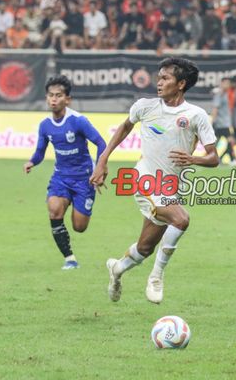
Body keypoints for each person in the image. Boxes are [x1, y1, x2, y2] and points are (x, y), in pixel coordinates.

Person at [90, 58, 219, 304]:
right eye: (158, 77)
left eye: (165, 78)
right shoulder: (145, 106)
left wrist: (193, 159)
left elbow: (214, 158)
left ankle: (117, 269)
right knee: (181, 219)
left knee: (144, 249)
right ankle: (157, 277)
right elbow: (124, 128)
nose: (158, 83)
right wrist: (103, 160)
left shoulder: (196, 116)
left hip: (171, 189)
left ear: (181, 84)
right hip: (144, 179)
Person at [24, 76, 107, 270]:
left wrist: (100, 168)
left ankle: (79, 204)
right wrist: (31, 162)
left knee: (79, 226)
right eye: (50, 95)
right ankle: (70, 258)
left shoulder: (78, 121)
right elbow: (40, 152)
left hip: (83, 178)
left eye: (58, 95)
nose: (53, 99)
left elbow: (101, 143)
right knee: (54, 209)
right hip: (60, 177)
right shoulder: (45, 125)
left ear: (67, 99)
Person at [210, 77, 236, 165]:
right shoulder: (220, 94)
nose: (227, 85)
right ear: (221, 84)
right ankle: (233, 159)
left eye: (228, 83)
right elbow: (215, 108)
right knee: (231, 141)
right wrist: (212, 122)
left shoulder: (227, 94)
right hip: (221, 123)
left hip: (225, 122)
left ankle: (212, 158)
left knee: (216, 142)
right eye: (225, 83)